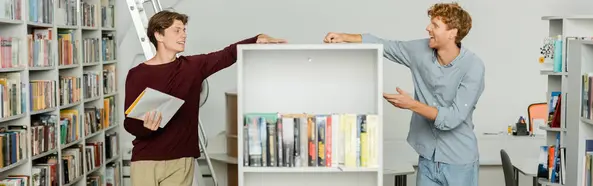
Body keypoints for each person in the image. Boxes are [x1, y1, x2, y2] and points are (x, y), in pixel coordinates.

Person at [324, 2, 484, 186]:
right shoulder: (420, 51)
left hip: (459, 162)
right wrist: (344, 37)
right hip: (427, 159)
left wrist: (412, 104)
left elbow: (453, 118)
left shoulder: (473, 67)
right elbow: (384, 45)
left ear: (452, 33)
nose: (428, 28)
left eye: (435, 25)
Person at [123, 10, 286, 186]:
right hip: (145, 161)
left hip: (181, 161)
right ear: (158, 35)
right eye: (177, 30)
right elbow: (129, 123)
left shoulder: (193, 67)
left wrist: (256, 39)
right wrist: (146, 127)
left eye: (184, 30)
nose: (184, 35)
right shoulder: (137, 74)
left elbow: (227, 54)